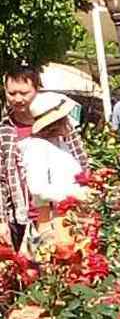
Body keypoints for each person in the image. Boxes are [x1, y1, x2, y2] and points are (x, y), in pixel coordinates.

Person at [0, 65, 89, 252]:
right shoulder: (5, 129)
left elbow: (81, 161)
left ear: (37, 89)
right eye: (12, 93)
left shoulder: (60, 122)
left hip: (65, 213)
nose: (18, 99)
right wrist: (1, 221)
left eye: (24, 93)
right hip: (22, 215)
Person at [19, 93, 89, 251]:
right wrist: (75, 194)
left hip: (70, 219)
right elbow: (38, 189)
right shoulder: (36, 148)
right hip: (54, 223)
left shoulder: (59, 143)